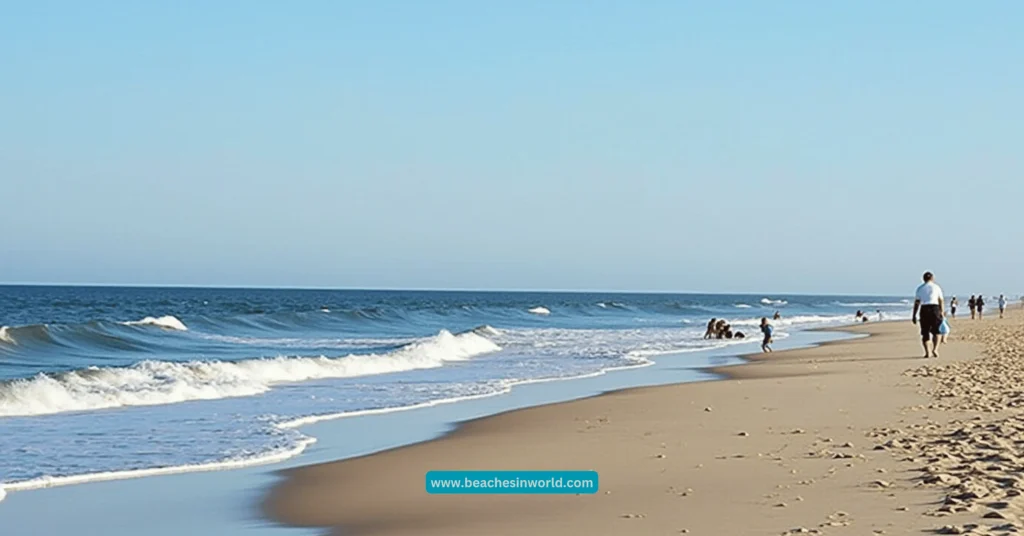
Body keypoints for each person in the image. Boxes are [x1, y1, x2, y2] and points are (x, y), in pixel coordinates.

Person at [912, 271, 945, 358]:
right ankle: (935, 349)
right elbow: (941, 300)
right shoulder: (936, 287)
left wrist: (914, 315)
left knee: (925, 332)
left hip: (924, 309)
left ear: (923, 279)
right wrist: (942, 312)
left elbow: (917, 302)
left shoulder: (920, 288)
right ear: (932, 278)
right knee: (937, 331)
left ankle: (927, 352)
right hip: (935, 308)